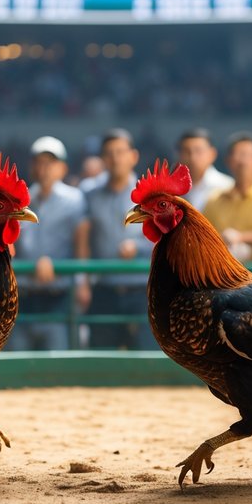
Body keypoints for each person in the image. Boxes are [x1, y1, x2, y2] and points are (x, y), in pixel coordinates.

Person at [9, 135, 89, 351]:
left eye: (50, 162)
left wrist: (82, 282)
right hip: (23, 293)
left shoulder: (74, 200)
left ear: (62, 168)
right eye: (38, 162)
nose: (43, 168)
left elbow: (81, 244)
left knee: (58, 360)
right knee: (19, 357)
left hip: (59, 294)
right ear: (31, 166)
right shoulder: (20, 199)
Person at [80, 128, 154, 350]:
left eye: (120, 152)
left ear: (133, 156)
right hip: (105, 289)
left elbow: (164, 238)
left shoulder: (150, 194)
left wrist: (138, 247)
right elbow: (83, 239)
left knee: (146, 358)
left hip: (142, 289)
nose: (115, 158)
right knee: (102, 359)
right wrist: (83, 282)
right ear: (102, 158)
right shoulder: (88, 193)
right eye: (109, 153)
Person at [202, 132, 252, 262]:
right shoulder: (215, 198)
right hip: (221, 269)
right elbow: (203, 236)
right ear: (228, 161)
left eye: (248, 155)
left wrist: (240, 237)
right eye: (238, 155)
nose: (243, 161)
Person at [176, 128, 233, 210]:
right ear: (179, 155)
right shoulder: (171, 189)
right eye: (186, 152)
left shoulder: (227, 187)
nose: (193, 158)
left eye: (198, 151)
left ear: (212, 154)